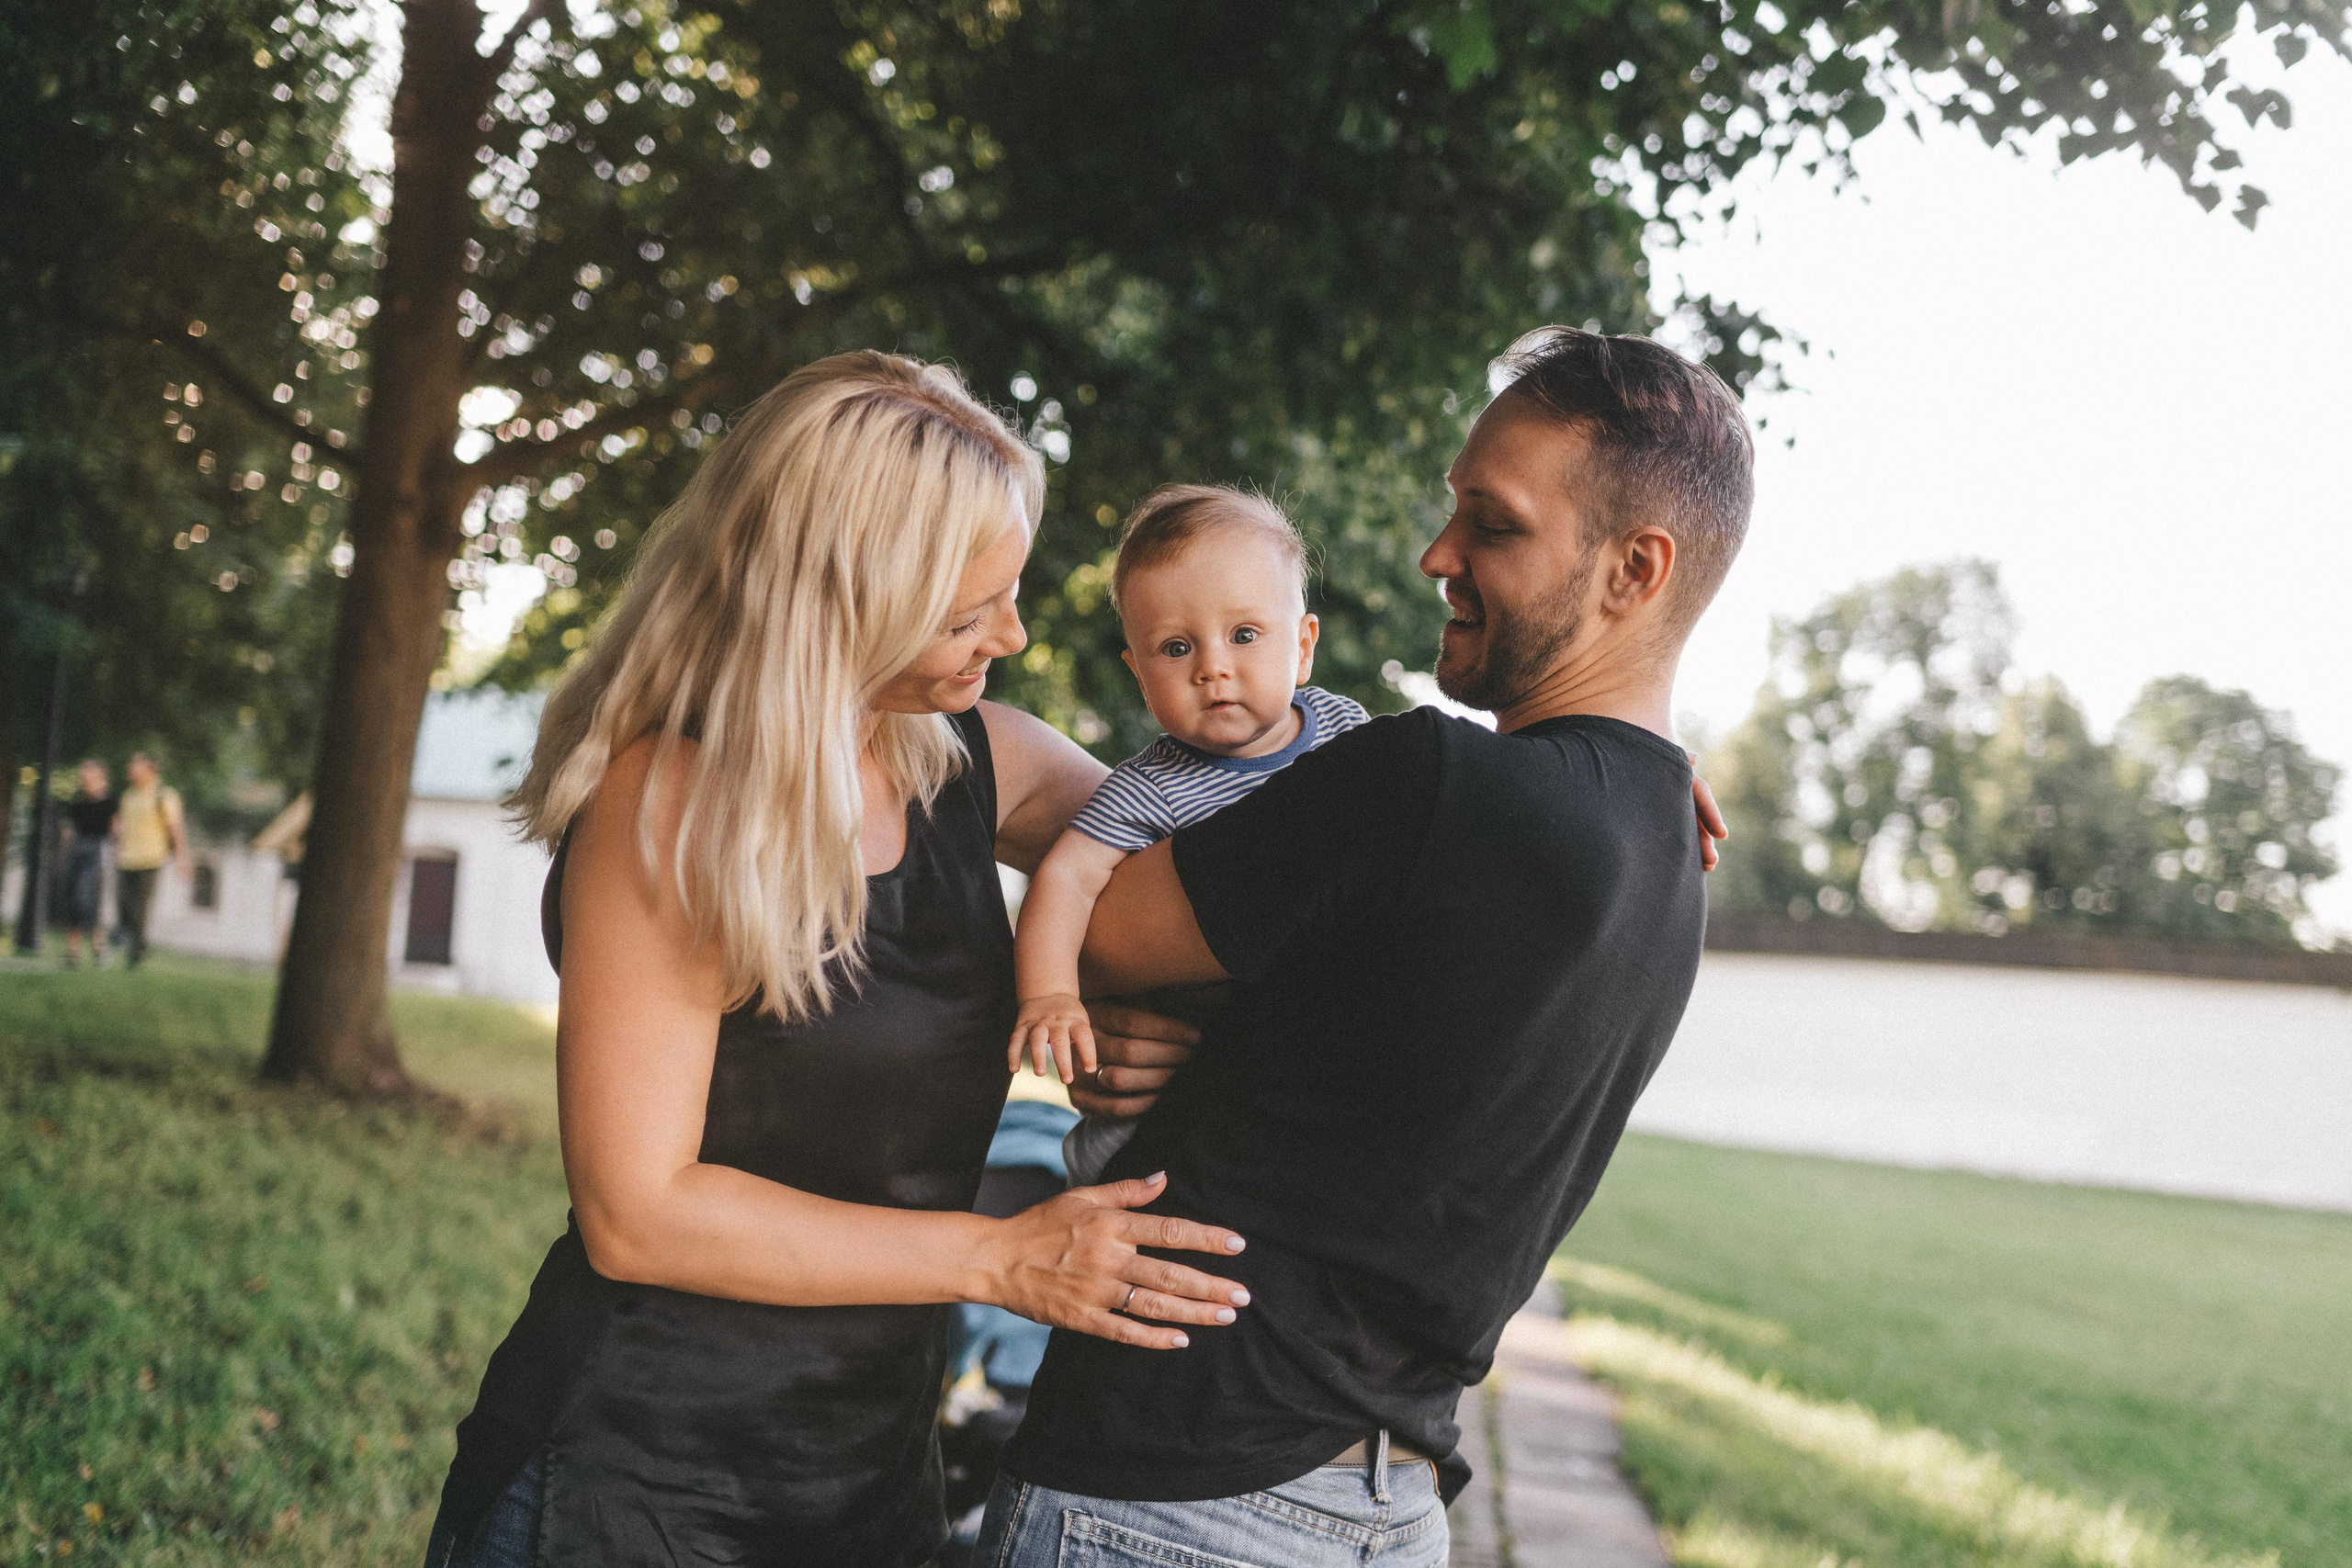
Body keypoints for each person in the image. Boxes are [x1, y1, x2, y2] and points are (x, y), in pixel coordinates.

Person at [425, 353, 1253, 1568]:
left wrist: (1133, 1009)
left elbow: (1215, 888)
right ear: (844, 600)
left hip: (868, 1477)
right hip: (631, 1478)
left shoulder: (986, 763)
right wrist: (1001, 1252)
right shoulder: (668, 803)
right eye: (972, 613)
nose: (1013, 636)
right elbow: (639, 1211)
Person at [978, 327, 1750, 1567]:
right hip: (1387, 1509)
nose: (1437, 552)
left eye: (1490, 525)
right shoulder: (1672, 847)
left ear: (1634, 570)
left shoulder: (1420, 783)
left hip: (1177, 1493)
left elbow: (1107, 931)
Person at [1006, 485, 1368, 1184]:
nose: (1212, 667)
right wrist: (1050, 994)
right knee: (1145, 1156)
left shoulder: (1348, 732)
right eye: (1176, 648)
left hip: (1303, 1038)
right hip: (1176, 1067)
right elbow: (1066, 876)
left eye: (1244, 634)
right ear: (1138, 674)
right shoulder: (1152, 785)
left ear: (1303, 646)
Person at [113, 751, 189, 967]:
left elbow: (175, 829)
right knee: (124, 906)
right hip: (126, 859)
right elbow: (121, 827)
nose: (130, 768)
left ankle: (135, 955)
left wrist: (182, 859)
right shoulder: (128, 795)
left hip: (150, 860)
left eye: (135, 764)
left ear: (150, 768)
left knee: (141, 910)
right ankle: (134, 943)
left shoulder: (164, 795)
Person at [56, 760, 117, 968]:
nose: (84, 780)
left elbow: (116, 829)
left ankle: (99, 948)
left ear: (100, 777)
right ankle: (72, 953)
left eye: (88, 776)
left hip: (97, 850)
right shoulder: (78, 799)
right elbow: (70, 829)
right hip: (77, 850)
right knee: (72, 899)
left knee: (89, 900)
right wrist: (65, 852)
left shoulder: (110, 801)